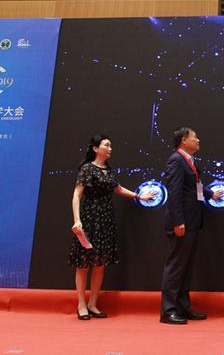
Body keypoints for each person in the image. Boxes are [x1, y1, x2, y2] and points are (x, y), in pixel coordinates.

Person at [70, 134, 154, 320]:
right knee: (83, 264)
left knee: (100, 264)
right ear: (95, 149)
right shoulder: (87, 168)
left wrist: (139, 196)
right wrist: (77, 220)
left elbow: (118, 189)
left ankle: (93, 304)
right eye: (106, 145)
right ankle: (81, 304)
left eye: (110, 146)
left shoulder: (108, 169)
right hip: (89, 218)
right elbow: (77, 195)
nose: (110, 148)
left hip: (106, 219)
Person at [160, 127, 223, 325]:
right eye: (194, 137)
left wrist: (210, 194)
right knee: (176, 266)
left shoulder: (188, 161)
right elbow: (175, 192)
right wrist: (178, 221)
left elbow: (193, 187)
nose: (198, 140)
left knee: (186, 267)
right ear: (183, 140)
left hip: (192, 221)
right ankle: (168, 311)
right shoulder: (176, 160)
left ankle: (183, 308)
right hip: (182, 223)